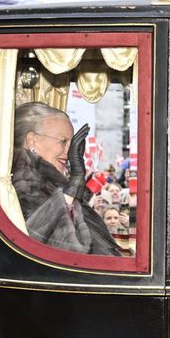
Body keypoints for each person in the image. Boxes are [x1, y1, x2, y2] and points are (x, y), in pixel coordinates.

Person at [11, 101, 121, 256]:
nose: (70, 152)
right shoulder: (24, 180)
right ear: (32, 141)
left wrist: (78, 188)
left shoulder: (46, 179)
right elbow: (48, 243)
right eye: (63, 141)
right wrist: (74, 184)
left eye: (72, 143)